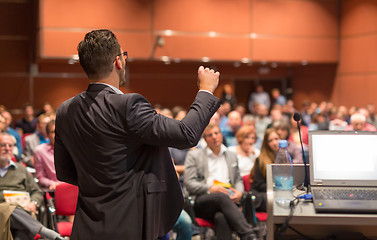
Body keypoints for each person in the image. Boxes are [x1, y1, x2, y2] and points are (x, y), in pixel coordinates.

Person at [54, 29, 220, 240]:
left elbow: (65, 172)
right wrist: (205, 91)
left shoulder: (65, 110)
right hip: (129, 224)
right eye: (124, 55)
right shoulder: (128, 105)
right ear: (118, 62)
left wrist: (101, 184)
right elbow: (186, 134)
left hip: (86, 225)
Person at [184, 124, 258, 240]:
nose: (214, 137)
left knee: (221, 217)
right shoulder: (194, 155)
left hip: (227, 201)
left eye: (216, 133)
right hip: (202, 200)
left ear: (221, 135)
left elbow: (238, 179)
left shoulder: (231, 155)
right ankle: (249, 235)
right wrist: (210, 188)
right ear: (205, 139)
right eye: (210, 135)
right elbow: (189, 183)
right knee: (221, 196)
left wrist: (239, 192)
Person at [0, 133, 64, 240]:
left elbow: (36, 192)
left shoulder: (21, 169)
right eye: (3, 145)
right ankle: (44, 232)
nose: (7, 148)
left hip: (23, 210)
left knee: (18, 218)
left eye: (10, 146)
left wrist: (33, 203)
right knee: (7, 209)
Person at [33, 120, 60, 191]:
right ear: (47, 135)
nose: (57, 134)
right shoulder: (40, 151)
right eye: (53, 132)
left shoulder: (71, 149)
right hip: (53, 189)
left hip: (73, 188)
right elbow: (40, 177)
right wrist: (53, 184)